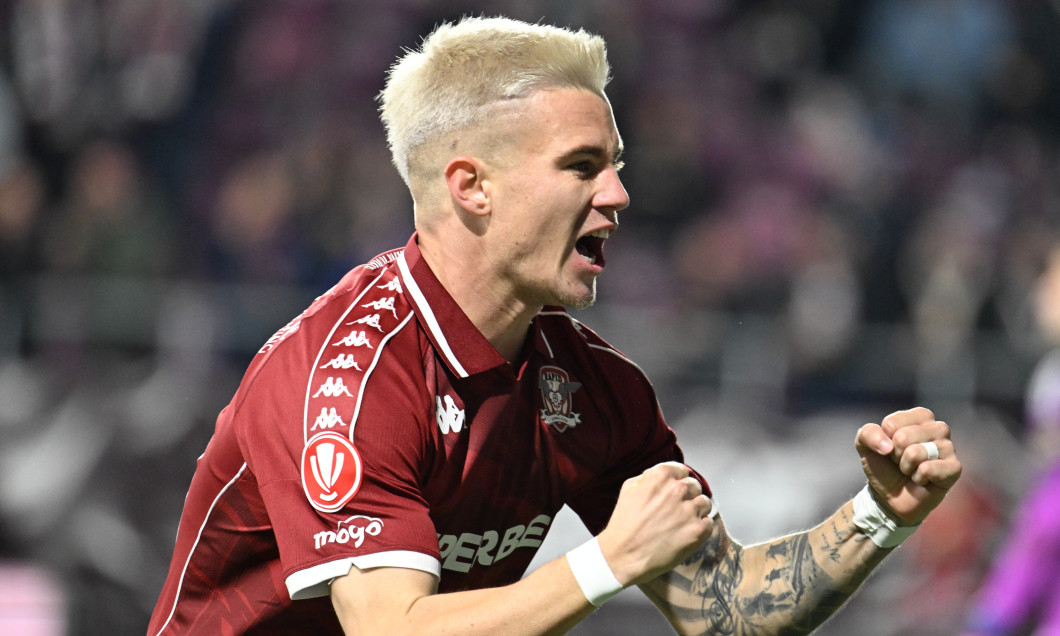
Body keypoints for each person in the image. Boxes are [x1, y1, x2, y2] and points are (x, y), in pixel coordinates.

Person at [148, 16, 962, 635]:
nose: (618, 195)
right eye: (582, 166)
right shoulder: (349, 376)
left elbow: (727, 610)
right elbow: (392, 630)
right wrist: (607, 561)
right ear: (472, 186)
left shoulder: (590, 388)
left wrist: (879, 515)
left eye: (615, 166)